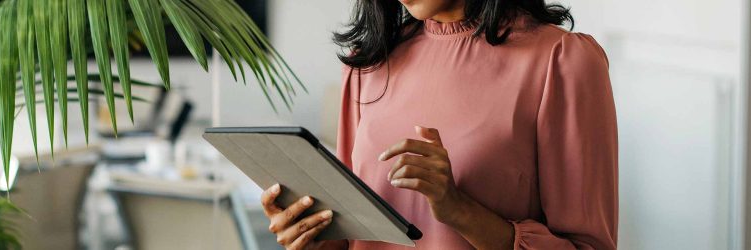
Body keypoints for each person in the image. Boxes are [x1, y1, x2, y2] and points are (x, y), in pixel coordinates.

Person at [259, 0, 618, 249]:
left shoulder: (563, 62)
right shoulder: (366, 64)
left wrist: (458, 209)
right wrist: (309, 235)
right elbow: (356, 238)